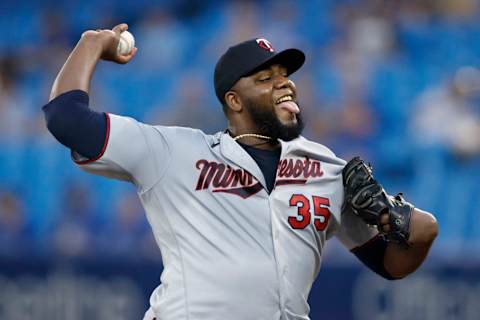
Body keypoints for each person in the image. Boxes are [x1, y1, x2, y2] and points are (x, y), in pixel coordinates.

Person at [43, 24, 438, 320]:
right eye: (265, 78)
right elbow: (66, 118)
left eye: (285, 75)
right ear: (234, 100)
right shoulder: (174, 152)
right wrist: (92, 43)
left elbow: (392, 263)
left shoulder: (326, 168)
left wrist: (401, 221)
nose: (284, 84)